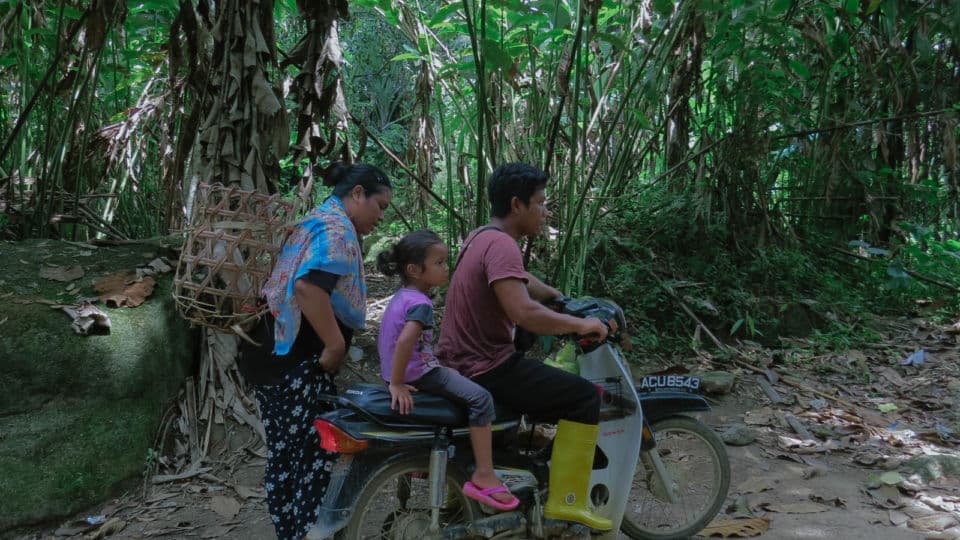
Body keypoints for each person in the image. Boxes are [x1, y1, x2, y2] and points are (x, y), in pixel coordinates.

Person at [436, 162, 612, 530]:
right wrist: (581, 323)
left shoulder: (481, 235)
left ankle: (522, 474)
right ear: (517, 205)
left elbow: (519, 280)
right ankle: (566, 500)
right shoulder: (502, 245)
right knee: (583, 397)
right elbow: (524, 312)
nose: (545, 211)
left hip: (459, 360)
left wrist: (557, 297)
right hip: (486, 366)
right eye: (541, 202)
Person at [237, 162, 392, 540]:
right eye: (380, 206)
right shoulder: (336, 229)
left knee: (288, 457)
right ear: (357, 195)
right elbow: (308, 288)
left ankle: (293, 532)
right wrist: (335, 345)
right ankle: (304, 532)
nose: (381, 217)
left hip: (272, 357)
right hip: (293, 364)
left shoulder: (318, 220)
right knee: (307, 459)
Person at [376, 230, 519, 511]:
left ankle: (429, 463)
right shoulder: (421, 303)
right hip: (419, 374)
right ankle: (484, 474)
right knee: (481, 399)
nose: (446, 268)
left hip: (404, 370)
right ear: (415, 270)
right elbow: (405, 341)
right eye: (439, 263)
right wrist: (396, 382)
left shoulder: (402, 297)